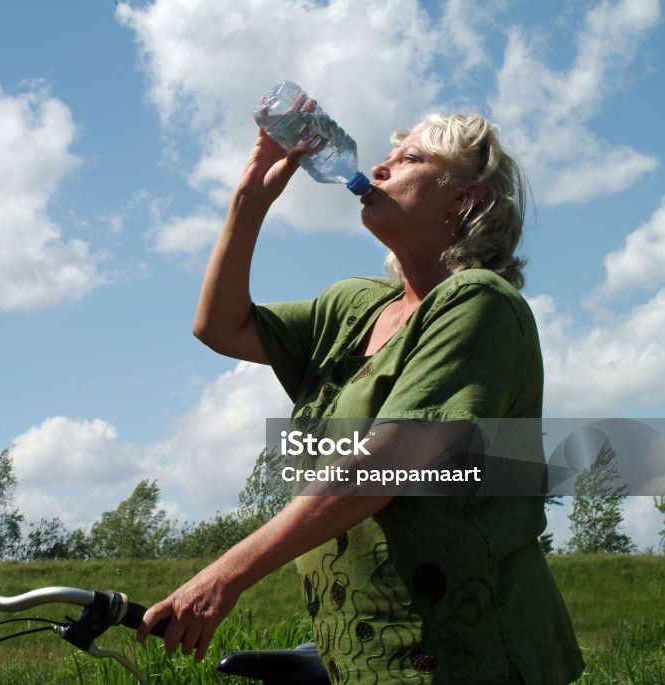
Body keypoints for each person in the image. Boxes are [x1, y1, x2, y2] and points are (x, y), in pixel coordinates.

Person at [137, 112, 585, 684]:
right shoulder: (355, 308)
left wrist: (225, 576)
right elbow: (219, 327)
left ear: (466, 202)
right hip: (362, 655)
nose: (379, 167)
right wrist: (250, 199)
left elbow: (381, 468)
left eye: (412, 160)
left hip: (465, 657)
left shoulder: (479, 303)